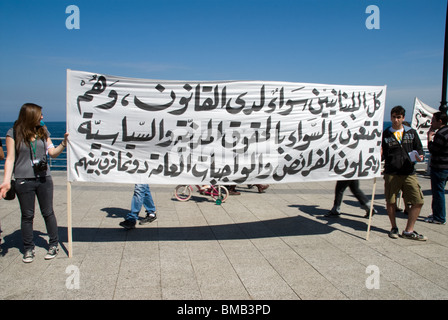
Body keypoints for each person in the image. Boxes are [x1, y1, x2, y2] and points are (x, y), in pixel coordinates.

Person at [0, 103, 69, 262]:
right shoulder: (13, 133)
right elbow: (10, 159)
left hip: (44, 179)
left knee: (48, 212)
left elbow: (52, 153)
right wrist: (6, 181)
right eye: (40, 114)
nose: (43, 117)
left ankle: (53, 244)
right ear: (30, 116)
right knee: (27, 215)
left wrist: (64, 143)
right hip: (23, 180)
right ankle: (28, 248)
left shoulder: (43, 132)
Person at [382, 105, 427, 241]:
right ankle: (393, 227)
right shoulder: (386, 133)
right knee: (391, 201)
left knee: (418, 201)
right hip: (392, 172)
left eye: (398, 117)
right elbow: (382, 152)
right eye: (393, 117)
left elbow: (419, 149)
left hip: (408, 172)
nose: (396, 120)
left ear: (403, 118)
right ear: (391, 117)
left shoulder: (411, 132)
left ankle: (409, 230)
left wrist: (420, 156)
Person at [425, 111, 448, 225]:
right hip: (446, 166)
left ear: (440, 121)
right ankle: (437, 213)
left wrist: (429, 138)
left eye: (433, 120)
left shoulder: (440, 134)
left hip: (439, 167)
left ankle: (439, 217)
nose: (431, 123)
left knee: (438, 192)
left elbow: (433, 149)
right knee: (440, 191)